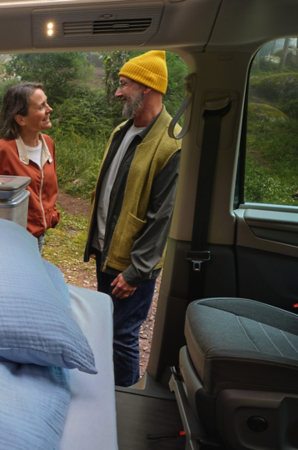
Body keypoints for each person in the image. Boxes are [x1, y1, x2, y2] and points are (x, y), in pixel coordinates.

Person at [83, 50, 182, 387]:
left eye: (124, 84)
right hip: (108, 253)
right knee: (105, 327)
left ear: (149, 89)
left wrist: (137, 271)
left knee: (121, 336)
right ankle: (105, 394)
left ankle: (125, 406)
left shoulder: (171, 144)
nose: (117, 91)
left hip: (132, 264)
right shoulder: (121, 131)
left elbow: (162, 218)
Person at [0, 82, 60, 252]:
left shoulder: (48, 144)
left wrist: (51, 215)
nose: (49, 109)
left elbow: (46, 188)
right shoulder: (2, 150)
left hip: (37, 237)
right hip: (10, 241)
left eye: (47, 103)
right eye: (41, 106)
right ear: (21, 119)